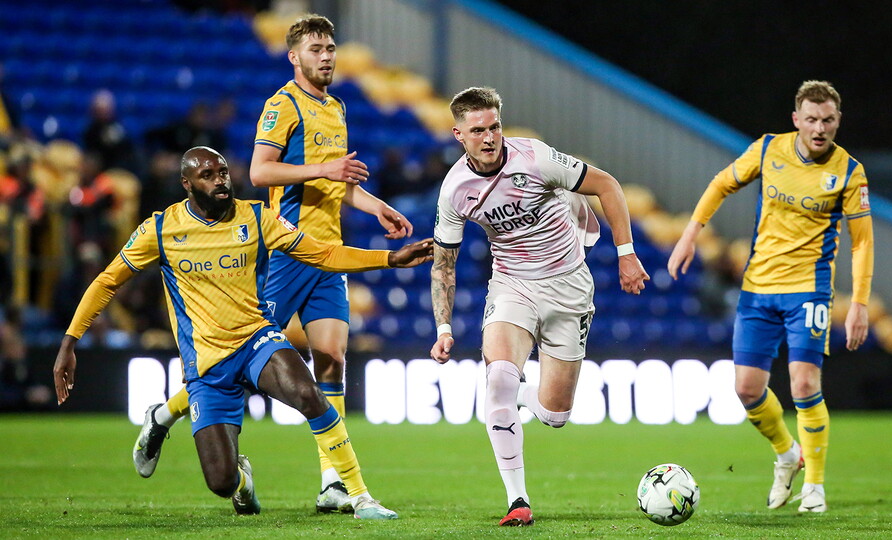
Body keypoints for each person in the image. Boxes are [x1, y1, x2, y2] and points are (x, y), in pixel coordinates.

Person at [54, 146, 432, 518]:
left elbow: (322, 253)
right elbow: (107, 282)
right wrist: (69, 343)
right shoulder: (161, 229)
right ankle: (240, 482)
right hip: (207, 367)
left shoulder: (256, 217)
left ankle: (359, 495)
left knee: (309, 394)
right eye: (208, 175)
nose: (221, 181)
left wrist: (389, 259)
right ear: (187, 183)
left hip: (256, 342)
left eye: (222, 172)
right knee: (220, 481)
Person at [134, 14, 414, 514]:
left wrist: (376, 207)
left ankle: (331, 482)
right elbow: (260, 171)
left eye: (330, 47)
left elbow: (338, 183)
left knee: (331, 360)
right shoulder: (281, 106)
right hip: (286, 254)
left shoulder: (338, 106)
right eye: (315, 49)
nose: (326, 55)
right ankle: (165, 414)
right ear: (294, 56)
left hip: (327, 255)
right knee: (237, 362)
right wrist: (324, 167)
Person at [429, 87, 650, 526]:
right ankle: (517, 501)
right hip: (512, 285)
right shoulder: (455, 190)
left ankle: (572, 208)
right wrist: (443, 327)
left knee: (554, 414)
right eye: (478, 131)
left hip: (569, 286)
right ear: (459, 134)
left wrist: (626, 252)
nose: (490, 137)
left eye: (494, 127)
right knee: (498, 381)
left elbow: (607, 184)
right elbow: (443, 266)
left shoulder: (533, 158)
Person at [667, 80, 874, 513]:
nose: (820, 128)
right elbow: (722, 183)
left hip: (810, 290)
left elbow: (861, 242)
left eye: (828, 120)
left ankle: (814, 486)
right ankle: (787, 454)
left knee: (803, 383)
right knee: (745, 389)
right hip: (758, 288)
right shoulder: (767, 150)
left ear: (838, 122)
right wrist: (690, 235)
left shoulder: (849, 172)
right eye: (812, 119)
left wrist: (858, 303)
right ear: (796, 119)